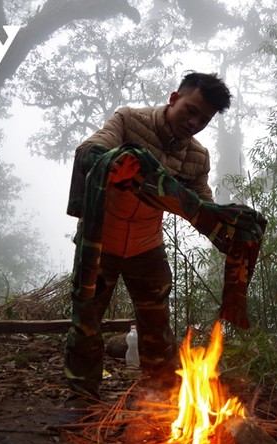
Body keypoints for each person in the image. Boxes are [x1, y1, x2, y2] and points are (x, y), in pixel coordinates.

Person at [64, 72, 233, 406]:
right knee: (86, 323)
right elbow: (90, 149)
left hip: (147, 247)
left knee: (157, 327)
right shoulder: (129, 121)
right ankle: (81, 401)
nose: (195, 122)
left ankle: (160, 401)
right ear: (174, 98)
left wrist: (229, 228)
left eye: (204, 118)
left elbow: (202, 205)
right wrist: (115, 162)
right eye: (190, 109)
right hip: (100, 242)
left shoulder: (197, 157)